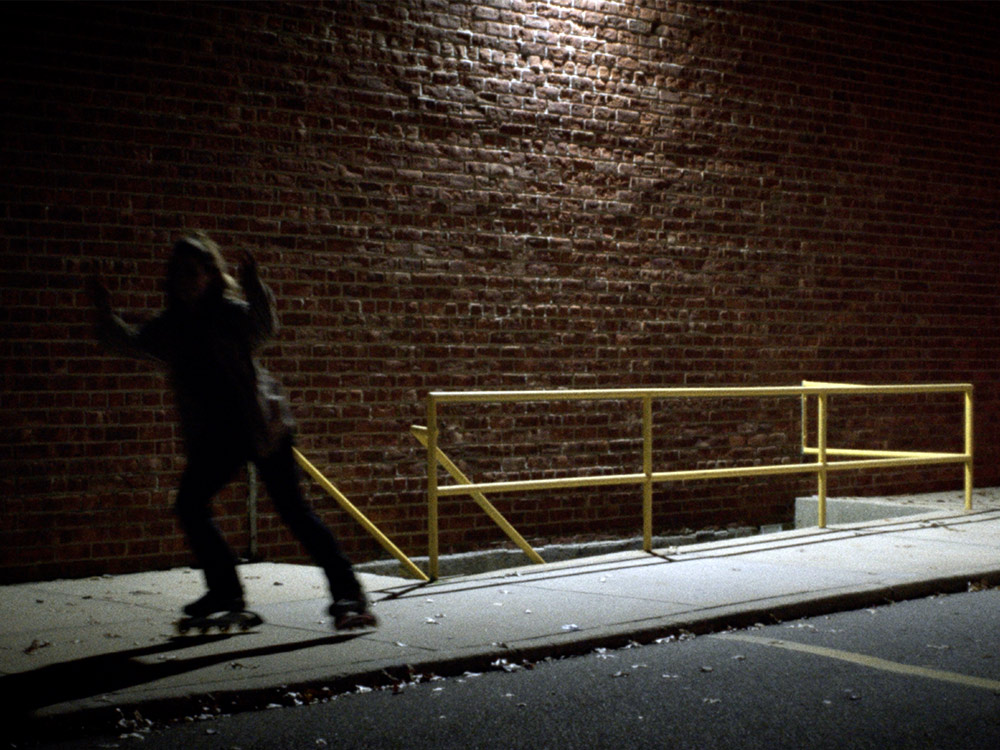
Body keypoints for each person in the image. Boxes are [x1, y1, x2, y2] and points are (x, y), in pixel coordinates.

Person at [89, 233, 376, 630]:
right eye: (179, 274)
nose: (186, 281)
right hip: (217, 437)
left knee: (293, 511)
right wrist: (104, 312)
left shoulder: (228, 313)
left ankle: (348, 591)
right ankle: (225, 589)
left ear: (210, 274)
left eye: (194, 273)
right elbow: (133, 343)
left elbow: (263, 329)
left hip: (261, 427)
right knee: (190, 506)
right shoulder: (173, 326)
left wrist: (255, 285)